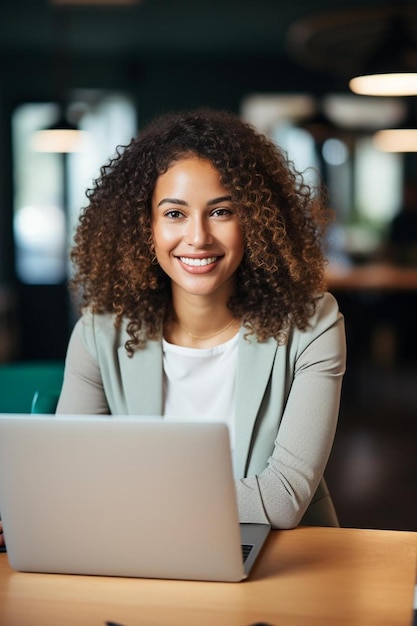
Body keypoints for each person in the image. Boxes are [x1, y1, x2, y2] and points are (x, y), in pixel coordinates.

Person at [53, 107, 346, 530]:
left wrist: (119, 493)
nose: (198, 237)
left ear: (256, 221)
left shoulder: (311, 325)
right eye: (175, 214)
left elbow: (281, 500)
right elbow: (70, 477)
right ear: (145, 226)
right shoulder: (99, 334)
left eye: (221, 211)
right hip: (143, 550)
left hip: (283, 560)